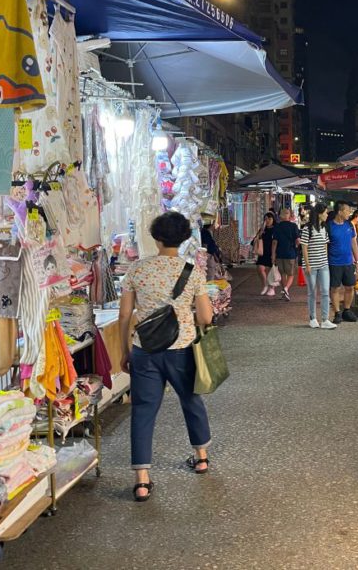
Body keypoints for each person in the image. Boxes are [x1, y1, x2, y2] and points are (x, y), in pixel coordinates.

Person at [119, 211, 214, 502]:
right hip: (182, 349)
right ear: (184, 237)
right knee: (191, 399)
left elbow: (125, 316)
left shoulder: (136, 270)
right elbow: (206, 316)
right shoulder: (193, 272)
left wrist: (126, 352)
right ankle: (200, 458)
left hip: (145, 351)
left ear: (156, 237)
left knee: (144, 410)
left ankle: (142, 481)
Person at [300, 203, 336, 329]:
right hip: (311, 265)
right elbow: (304, 248)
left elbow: (325, 245)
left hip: (323, 264)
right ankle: (312, 318)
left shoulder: (324, 228)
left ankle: (325, 319)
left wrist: (326, 261)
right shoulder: (307, 229)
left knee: (325, 291)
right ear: (319, 214)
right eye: (325, 212)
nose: (327, 215)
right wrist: (307, 265)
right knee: (312, 292)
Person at [328, 201, 358, 323]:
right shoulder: (330, 226)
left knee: (350, 287)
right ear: (340, 212)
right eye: (347, 210)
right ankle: (337, 313)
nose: (349, 213)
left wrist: (357, 260)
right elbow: (326, 245)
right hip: (334, 262)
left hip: (348, 262)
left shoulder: (349, 225)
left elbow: (353, 243)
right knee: (335, 288)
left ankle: (346, 310)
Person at [270, 207, 301, 301]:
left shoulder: (277, 227)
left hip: (279, 254)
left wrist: (273, 254)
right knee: (291, 274)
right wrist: (298, 246)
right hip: (290, 253)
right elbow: (298, 241)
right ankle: (286, 289)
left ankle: (285, 292)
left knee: (283, 273)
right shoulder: (293, 226)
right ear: (289, 215)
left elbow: (274, 242)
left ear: (280, 216)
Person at [254, 212, 276, 296]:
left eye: (269, 219)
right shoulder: (263, 229)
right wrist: (261, 232)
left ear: (273, 219)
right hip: (263, 251)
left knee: (271, 271)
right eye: (266, 219)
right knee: (260, 268)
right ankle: (265, 285)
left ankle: (272, 288)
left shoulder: (276, 229)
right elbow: (256, 239)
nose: (267, 221)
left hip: (272, 252)